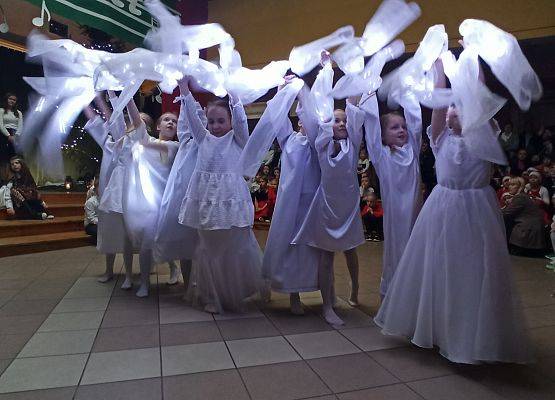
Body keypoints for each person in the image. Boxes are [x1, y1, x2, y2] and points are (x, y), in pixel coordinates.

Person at [375, 57, 531, 364]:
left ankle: (471, 335)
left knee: (473, 270)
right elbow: (437, 100)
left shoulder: (484, 135)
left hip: (476, 209)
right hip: (443, 208)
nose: (449, 112)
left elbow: (481, 96)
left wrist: (473, 61)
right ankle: (438, 328)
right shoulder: (439, 137)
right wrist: (439, 69)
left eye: (457, 107)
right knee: (439, 267)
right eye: (449, 109)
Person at [178, 75, 264, 314]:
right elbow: (193, 118)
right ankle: (212, 295)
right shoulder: (202, 137)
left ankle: (236, 290)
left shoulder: (238, 140)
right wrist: (184, 87)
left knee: (234, 248)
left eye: (220, 121)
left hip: (230, 201)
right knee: (209, 250)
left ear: (229, 121)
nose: (215, 126)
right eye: (212, 121)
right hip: (205, 201)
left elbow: (240, 121)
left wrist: (233, 93)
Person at [292, 53, 366, 320]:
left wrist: (347, 65)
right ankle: (326, 305)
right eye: (337, 120)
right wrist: (321, 73)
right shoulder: (322, 142)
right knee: (325, 256)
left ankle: (355, 291)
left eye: (344, 121)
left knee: (351, 251)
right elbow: (314, 109)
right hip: (327, 205)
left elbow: (354, 101)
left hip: (348, 207)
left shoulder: (353, 142)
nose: (342, 124)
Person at [360, 87, 422, 298]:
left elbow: (416, 123)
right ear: (384, 136)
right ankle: (390, 294)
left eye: (403, 127)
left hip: (415, 216)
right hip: (395, 217)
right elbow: (371, 129)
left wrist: (408, 93)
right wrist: (368, 95)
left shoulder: (412, 150)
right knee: (395, 254)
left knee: (416, 256)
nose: (402, 130)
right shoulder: (382, 156)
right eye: (394, 128)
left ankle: (413, 295)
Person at [503, 177, 546, 255]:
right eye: (509, 185)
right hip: (531, 232)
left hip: (527, 233)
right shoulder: (523, 196)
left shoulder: (520, 197)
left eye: (513, 185)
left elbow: (506, 213)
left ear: (520, 186)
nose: (510, 187)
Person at [5, 156, 53, 220]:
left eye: (16, 163)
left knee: (31, 191)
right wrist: (9, 207)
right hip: (19, 204)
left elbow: (34, 189)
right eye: (12, 164)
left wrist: (42, 202)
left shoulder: (27, 176)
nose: (14, 165)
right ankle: (35, 215)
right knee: (15, 190)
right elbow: (7, 194)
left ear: (22, 164)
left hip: (30, 201)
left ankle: (43, 212)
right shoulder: (12, 180)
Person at [0, 93, 23, 165]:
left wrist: (16, 136)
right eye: (10, 99)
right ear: (6, 99)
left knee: (15, 155)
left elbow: (20, 125)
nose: (12, 101)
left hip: (16, 134)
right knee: (4, 154)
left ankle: (16, 174)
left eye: (14, 100)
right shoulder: (1, 110)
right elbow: (0, 124)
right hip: (4, 133)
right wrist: (8, 135)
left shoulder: (19, 113)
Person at [84, 176, 99, 242]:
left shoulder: (106, 200)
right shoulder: (90, 202)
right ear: (95, 189)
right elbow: (92, 219)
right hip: (91, 225)